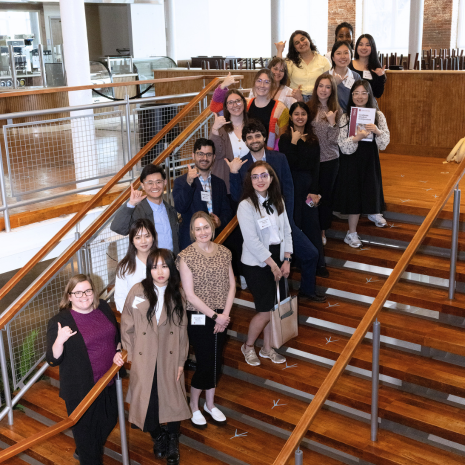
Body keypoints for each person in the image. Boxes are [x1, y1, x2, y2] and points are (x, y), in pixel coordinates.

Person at [227, 119, 325, 302]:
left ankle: (307, 291)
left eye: (257, 135)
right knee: (272, 271)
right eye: (249, 137)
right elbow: (236, 196)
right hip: (260, 229)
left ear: (264, 137)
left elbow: (288, 187)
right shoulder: (241, 165)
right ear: (245, 142)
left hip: (282, 221)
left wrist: (285, 215)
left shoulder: (279, 158)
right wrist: (233, 173)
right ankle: (275, 301)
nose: (254, 140)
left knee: (311, 253)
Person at [117, 249, 190, 465]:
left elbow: (183, 330)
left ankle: (173, 440)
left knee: (173, 398)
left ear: (171, 268)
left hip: (169, 354)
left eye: (164, 266)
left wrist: (180, 361)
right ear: (149, 269)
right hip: (144, 354)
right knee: (147, 401)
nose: (160, 271)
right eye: (155, 266)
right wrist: (130, 350)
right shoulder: (138, 291)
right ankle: (158, 436)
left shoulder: (178, 294)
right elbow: (127, 321)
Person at [46, 274, 123, 465]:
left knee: (109, 420)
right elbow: (52, 360)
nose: (84, 296)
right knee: (89, 444)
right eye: (77, 292)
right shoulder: (61, 321)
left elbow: (116, 334)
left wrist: (118, 350)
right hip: (81, 390)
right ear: (69, 296)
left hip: (108, 381)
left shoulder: (103, 307)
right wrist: (60, 340)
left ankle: (84, 446)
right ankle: (87, 451)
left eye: (88, 291)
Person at [176, 211, 235, 428]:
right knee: (205, 361)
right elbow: (189, 295)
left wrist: (225, 315)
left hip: (223, 315)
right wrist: (215, 316)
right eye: (198, 228)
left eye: (206, 227)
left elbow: (232, 284)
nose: (203, 232)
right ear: (192, 231)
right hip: (200, 315)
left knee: (216, 360)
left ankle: (210, 404)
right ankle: (194, 405)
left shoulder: (224, 252)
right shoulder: (185, 256)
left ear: (212, 227)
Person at [237, 161, 292, 366]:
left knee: (274, 307)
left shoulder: (278, 200)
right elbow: (251, 241)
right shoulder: (246, 206)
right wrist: (272, 264)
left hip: (278, 257)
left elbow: (287, 231)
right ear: (250, 181)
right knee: (265, 309)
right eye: (255, 176)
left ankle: (267, 348)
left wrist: (286, 259)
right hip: (256, 262)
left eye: (264, 175)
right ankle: (248, 346)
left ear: (271, 178)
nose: (260, 180)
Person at [334, 80, 391, 247]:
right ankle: (351, 233)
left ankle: (374, 212)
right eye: (356, 93)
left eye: (363, 93)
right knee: (353, 196)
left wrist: (377, 131)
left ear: (369, 95)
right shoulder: (345, 116)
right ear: (351, 96)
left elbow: (384, 143)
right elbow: (343, 146)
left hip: (370, 160)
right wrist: (356, 138)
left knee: (371, 188)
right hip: (351, 161)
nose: (360, 96)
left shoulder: (378, 116)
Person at [278, 102, 328, 277]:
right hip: (291, 186)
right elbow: (288, 165)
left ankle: (318, 265)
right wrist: (293, 142)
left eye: (303, 114)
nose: (300, 117)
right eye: (296, 114)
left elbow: (316, 167)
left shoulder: (313, 139)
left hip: (308, 186)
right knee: (295, 223)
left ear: (308, 117)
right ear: (291, 117)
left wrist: (315, 190)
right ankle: (297, 262)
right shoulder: (285, 138)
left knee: (312, 224)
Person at [172, 138, 232, 251]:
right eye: (200, 154)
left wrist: (219, 221)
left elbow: (227, 211)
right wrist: (189, 183)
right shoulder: (181, 181)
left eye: (208, 154)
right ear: (193, 155)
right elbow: (180, 207)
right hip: (190, 242)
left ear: (214, 157)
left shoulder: (219, 183)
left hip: (215, 240)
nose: (204, 158)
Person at [210, 70, 289, 151]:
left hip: (267, 155)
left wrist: (271, 157)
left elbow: (281, 140)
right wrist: (223, 86)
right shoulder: (245, 104)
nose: (262, 85)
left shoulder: (281, 109)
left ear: (272, 85)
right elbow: (215, 108)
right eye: (259, 81)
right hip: (245, 151)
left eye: (266, 82)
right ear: (254, 83)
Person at [111, 164, 180, 255]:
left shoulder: (170, 210)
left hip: (171, 261)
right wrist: (131, 204)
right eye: (150, 183)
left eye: (158, 182)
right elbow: (118, 228)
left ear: (165, 183)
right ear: (142, 185)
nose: (155, 186)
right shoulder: (138, 211)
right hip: (150, 264)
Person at [306, 74, 341, 244]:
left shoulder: (337, 110)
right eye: (321, 86)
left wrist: (333, 123)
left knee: (325, 197)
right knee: (310, 196)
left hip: (329, 160)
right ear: (316, 87)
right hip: (311, 160)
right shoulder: (309, 107)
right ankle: (310, 228)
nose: (324, 90)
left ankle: (322, 232)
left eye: (328, 87)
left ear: (332, 90)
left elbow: (336, 141)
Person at [209, 89, 249, 195]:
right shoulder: (220, 129)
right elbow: (216, 154)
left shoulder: (252, 127)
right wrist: (214, 130)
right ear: (226, 107)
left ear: (244, 103)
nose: (235, 105)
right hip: (226, 184)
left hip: (249, 182)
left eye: (238, 101)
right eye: (230, 102)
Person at [114, 219, 158, 313]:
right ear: (132, 241)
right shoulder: (124, 267)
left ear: (153, 237)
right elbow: (120, 297)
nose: (143, 241)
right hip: (135, 317)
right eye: (138, 237)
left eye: (147, 236)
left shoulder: (163, 261)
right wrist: (133, 317)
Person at [275, 30, 331, 102]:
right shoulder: (290, 62)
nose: (301, 43)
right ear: (295, 48)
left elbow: (329, 82)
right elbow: (277, 73)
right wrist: (279, 51)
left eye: (303, 39)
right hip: (295, 99)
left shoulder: (324, 61)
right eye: (297, 43)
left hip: (318, 99)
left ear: (309, 40)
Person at [324, 41, 361, 113]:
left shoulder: (356, 77)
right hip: (330, 117)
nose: (342, 56)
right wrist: (333, 84)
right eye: (338, 53)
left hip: (351, 117)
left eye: (346, 53)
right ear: (333, 58)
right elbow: (320, 100)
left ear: (351, 56)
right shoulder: (325, 76)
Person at [350, 34, 387, 99]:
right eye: (361, 44)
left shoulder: (376, 68)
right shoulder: (349, 65)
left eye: (367, 45)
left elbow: (378, 94)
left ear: (372, 48)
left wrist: (381, 76)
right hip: (350, 105)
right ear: (356, 47)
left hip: (368, 107)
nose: (364, 47)